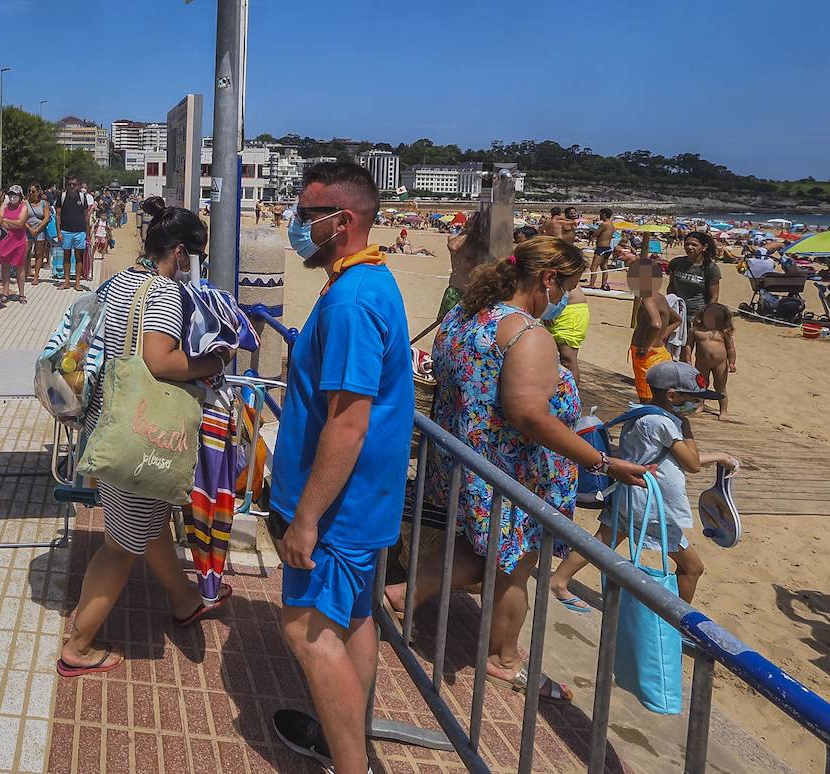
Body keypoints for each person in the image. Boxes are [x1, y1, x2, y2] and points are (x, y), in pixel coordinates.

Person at [383, 236, 650, 704]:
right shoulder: (527, 334)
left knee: (480, 547)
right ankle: (505, 659)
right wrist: (601, 461)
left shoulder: (463, 317)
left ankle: (408, 594)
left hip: (463, 462)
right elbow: (528, 412)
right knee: (515, 567)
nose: (566, 297)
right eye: (567, 286)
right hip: (513, 475)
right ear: (548, 280)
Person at [267, 163, 412, 774]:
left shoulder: (352, 300)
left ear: (342, 221)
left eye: (306, 216)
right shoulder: (368, 279)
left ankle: (351, 764)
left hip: (337, 510)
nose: (297, 226)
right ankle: (342, 738)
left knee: (305, 631)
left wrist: (305, 519)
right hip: (363, 502)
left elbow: (348, 421)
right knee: (354, 619)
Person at [58, 198, 231, 678]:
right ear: (179, 252)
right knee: (120, 546)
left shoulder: (120, 281)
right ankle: (78, 646)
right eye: (191, 258)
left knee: (141, 523)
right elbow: (160, 360)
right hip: (140, 431)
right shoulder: (165, 292)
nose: (190, 268)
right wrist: (214, 362)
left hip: (107, 421)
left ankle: (184, 600)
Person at [550, 361, 738, 606]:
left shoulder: (640, 413)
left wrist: (720, 456)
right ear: (672, 395)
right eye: (695, 399)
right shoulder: (664, 423)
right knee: (693, 568)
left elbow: (677, 459)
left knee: (602, 541)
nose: (699, 405)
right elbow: (691, 463)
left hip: (629, 496)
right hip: (651, 506)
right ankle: (676, 622)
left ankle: (559, 580)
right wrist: (687, 429)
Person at [630, 261, 682, 402]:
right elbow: (677, 320)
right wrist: (662, 336)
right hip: (660, 352)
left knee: (646, 397)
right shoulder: (660, 298)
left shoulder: (647, 297)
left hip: (647, 355)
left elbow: (656, 324)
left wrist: (647, 347)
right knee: (658, 397)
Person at [668, 231, 722, 364]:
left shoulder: (710, 268)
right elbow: (671, 286)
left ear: (704, 247)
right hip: (678, 313)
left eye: (694, 244)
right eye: (687, 244)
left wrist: (705, 316)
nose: (689, 247)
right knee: (676, 349)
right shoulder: (676, 263)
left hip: (698, 314)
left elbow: (714, 296)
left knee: (698, 352)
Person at [441, 210, 488, 320]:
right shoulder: (457, 238)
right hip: (456, 289)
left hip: (474, 293)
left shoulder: (483, 243)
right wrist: (467, 231)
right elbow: (453, 246)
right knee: (445, 326)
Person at [692, 303, 736, 419]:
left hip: (720, 364)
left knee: (720, 387)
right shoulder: (696, 331)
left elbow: (731, 348)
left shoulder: (724, 332)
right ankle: (700, 405)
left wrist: (732, 362)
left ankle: (723, 411)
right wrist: (686, 359)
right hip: (702, 363)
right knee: (701, 385)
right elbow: (688, 346)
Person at [0, 184, 30, 304]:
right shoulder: (4, 205)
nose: (13, 197)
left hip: (19, 241)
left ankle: (21, 294)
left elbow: (20, 223)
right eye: (11, 194)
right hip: (5, 241)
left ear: (20, 196)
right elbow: (0, 221)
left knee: (20, 268)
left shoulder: (24, 206)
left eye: (15, 195)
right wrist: (12, 223)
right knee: (5, 267)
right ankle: (5, 292)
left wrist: (7, 221)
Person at [57, 175, 92, 291]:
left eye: (74, 184)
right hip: (66, 231)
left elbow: (86, 216)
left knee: (79, 257)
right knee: (66, 257)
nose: (72, 186)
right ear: (67, 185)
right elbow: (58, 215)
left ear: (77, 185)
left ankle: (77, 283)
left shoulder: (82, 197)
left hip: (80, 232)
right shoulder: (62, 197)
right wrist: (59, 232)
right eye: (69, 184)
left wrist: (88, 233)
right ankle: (66, 281)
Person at [24, 184, 52, 286]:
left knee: (38, 253)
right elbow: (22, 217)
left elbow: (46, 217)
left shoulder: (44, 203)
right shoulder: (25, 203)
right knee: (26, 252)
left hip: (40, 230)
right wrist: (29, 228)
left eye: (33, 191)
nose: (31, 193)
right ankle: (26, 272)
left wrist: (37, 229)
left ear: (38, 192)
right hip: (27, 229)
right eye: (30, 191)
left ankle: (36, 276)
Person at [588, 208, 617, 290]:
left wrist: (592, 234)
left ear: (604, 214)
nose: (600, 216)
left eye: (601, 214)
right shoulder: (611, 224)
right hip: (608, 247)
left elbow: (596, 234)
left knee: (593, 267)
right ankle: (603, 284)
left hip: (601, 247)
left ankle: (592, 284)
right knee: (604, 267)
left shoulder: (604, 224)